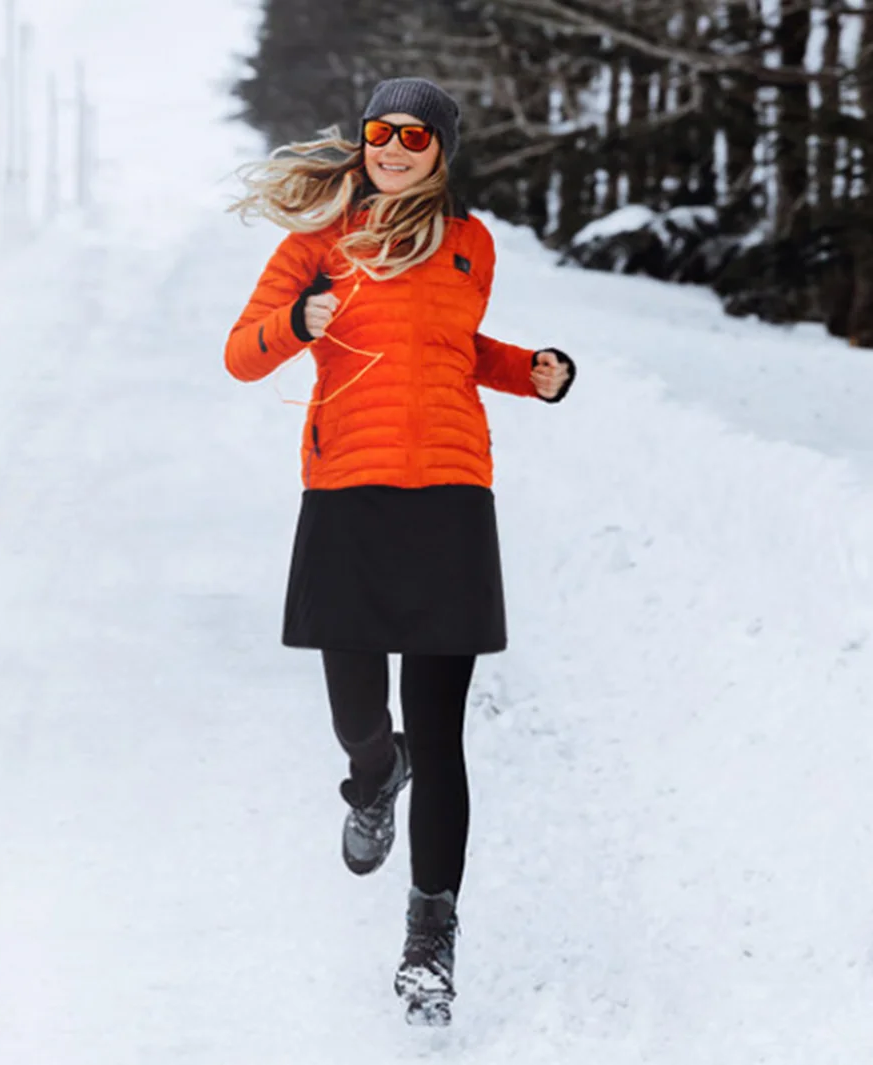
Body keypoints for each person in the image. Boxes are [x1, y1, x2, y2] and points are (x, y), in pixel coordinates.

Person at [224, 76, 575, 1026]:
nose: (393, 145)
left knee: (445, 728)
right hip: (348, 497)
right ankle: (376, 774)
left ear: (440, 151)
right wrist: (297, 324)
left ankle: (430, 938)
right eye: (382, 129)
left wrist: (529, 373)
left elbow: (456, 348)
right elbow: (240, 352)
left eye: (415, 135)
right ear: (366, 138)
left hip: (453, 497)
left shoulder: (471, 245)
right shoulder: (317, 245)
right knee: (358, 716)